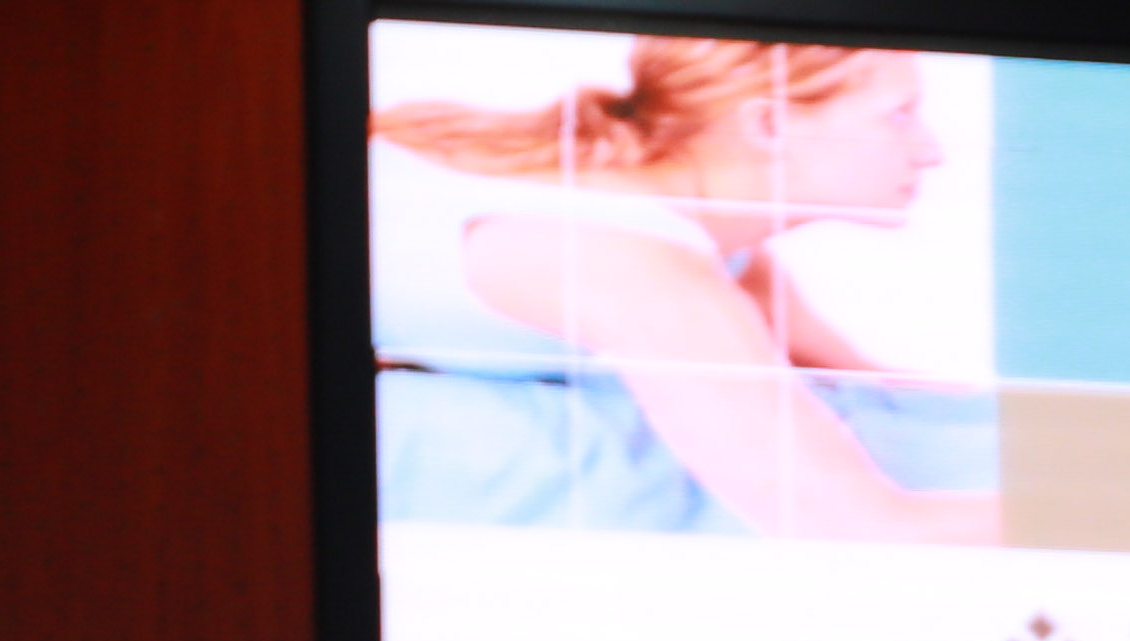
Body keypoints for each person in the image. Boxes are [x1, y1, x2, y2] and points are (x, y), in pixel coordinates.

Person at [360, 44, 998, 542]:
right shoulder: (638, 269)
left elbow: (883, 387)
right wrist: (1061, 514)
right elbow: (856, 526)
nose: (931, 151)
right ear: (771, 123)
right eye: (899, 115)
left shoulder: (717, 245)